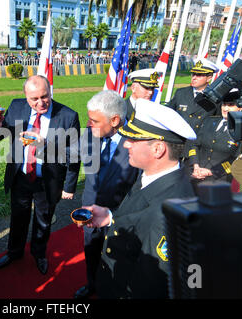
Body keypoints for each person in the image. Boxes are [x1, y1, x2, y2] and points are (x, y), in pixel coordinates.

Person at [82, 99, 197, 298]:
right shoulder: (150, 176)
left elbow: (150, 285)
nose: (126, 143)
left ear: (158, 149)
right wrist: (110, 217)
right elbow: (141, 217)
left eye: (134, 139)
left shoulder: (170, 211)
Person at [0, 75, 80, 274]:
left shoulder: (68, 116)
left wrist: (69, 185)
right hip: (20, 176)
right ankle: (14, 252)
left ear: (50, 91)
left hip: (47, 180)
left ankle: (39, 254)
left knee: (43, 220)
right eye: (34, 99)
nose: (41, 103)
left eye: (45, 96)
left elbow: (74, 153)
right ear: (25, 97)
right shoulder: (16, 106)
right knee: (18, 216)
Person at [74, 90, 138, 299]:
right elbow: (74, 153)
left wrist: (117, 214)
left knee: (117, 258)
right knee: (91, 251)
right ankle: (92, 283)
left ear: (115, 120)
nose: (89, 124)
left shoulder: (137, 141)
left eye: (94, 120)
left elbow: (140, 187)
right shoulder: (91, 132)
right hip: (90, 209)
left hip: (120, 215)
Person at [187, 89, 242, 186]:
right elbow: (194, 145)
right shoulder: (209, 121)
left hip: (219, 179)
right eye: (224, 104)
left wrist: (212, 171)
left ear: (240, 108)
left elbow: (238, 158)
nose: (225, 108)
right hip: (194, 174)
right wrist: (195, 166)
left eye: (231, 105)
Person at [167, 58, 220, 133]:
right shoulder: (181, 93)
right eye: (193, 74)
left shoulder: (215, 97)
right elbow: (169, 113)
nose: (194, 78)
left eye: (199, 75)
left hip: (199, 140)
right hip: (178, 136)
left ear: (209, 78)